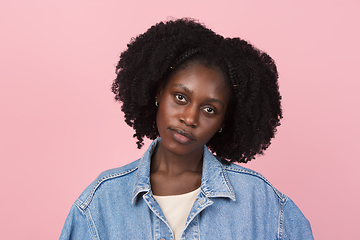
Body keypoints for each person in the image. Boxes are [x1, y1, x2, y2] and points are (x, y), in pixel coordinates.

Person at [60, 18, 314, 239]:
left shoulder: (261, 202)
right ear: (159, 92)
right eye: (180, 97)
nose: (190, 118)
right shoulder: (102, 202)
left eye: (209, 109)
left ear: (225, 120)